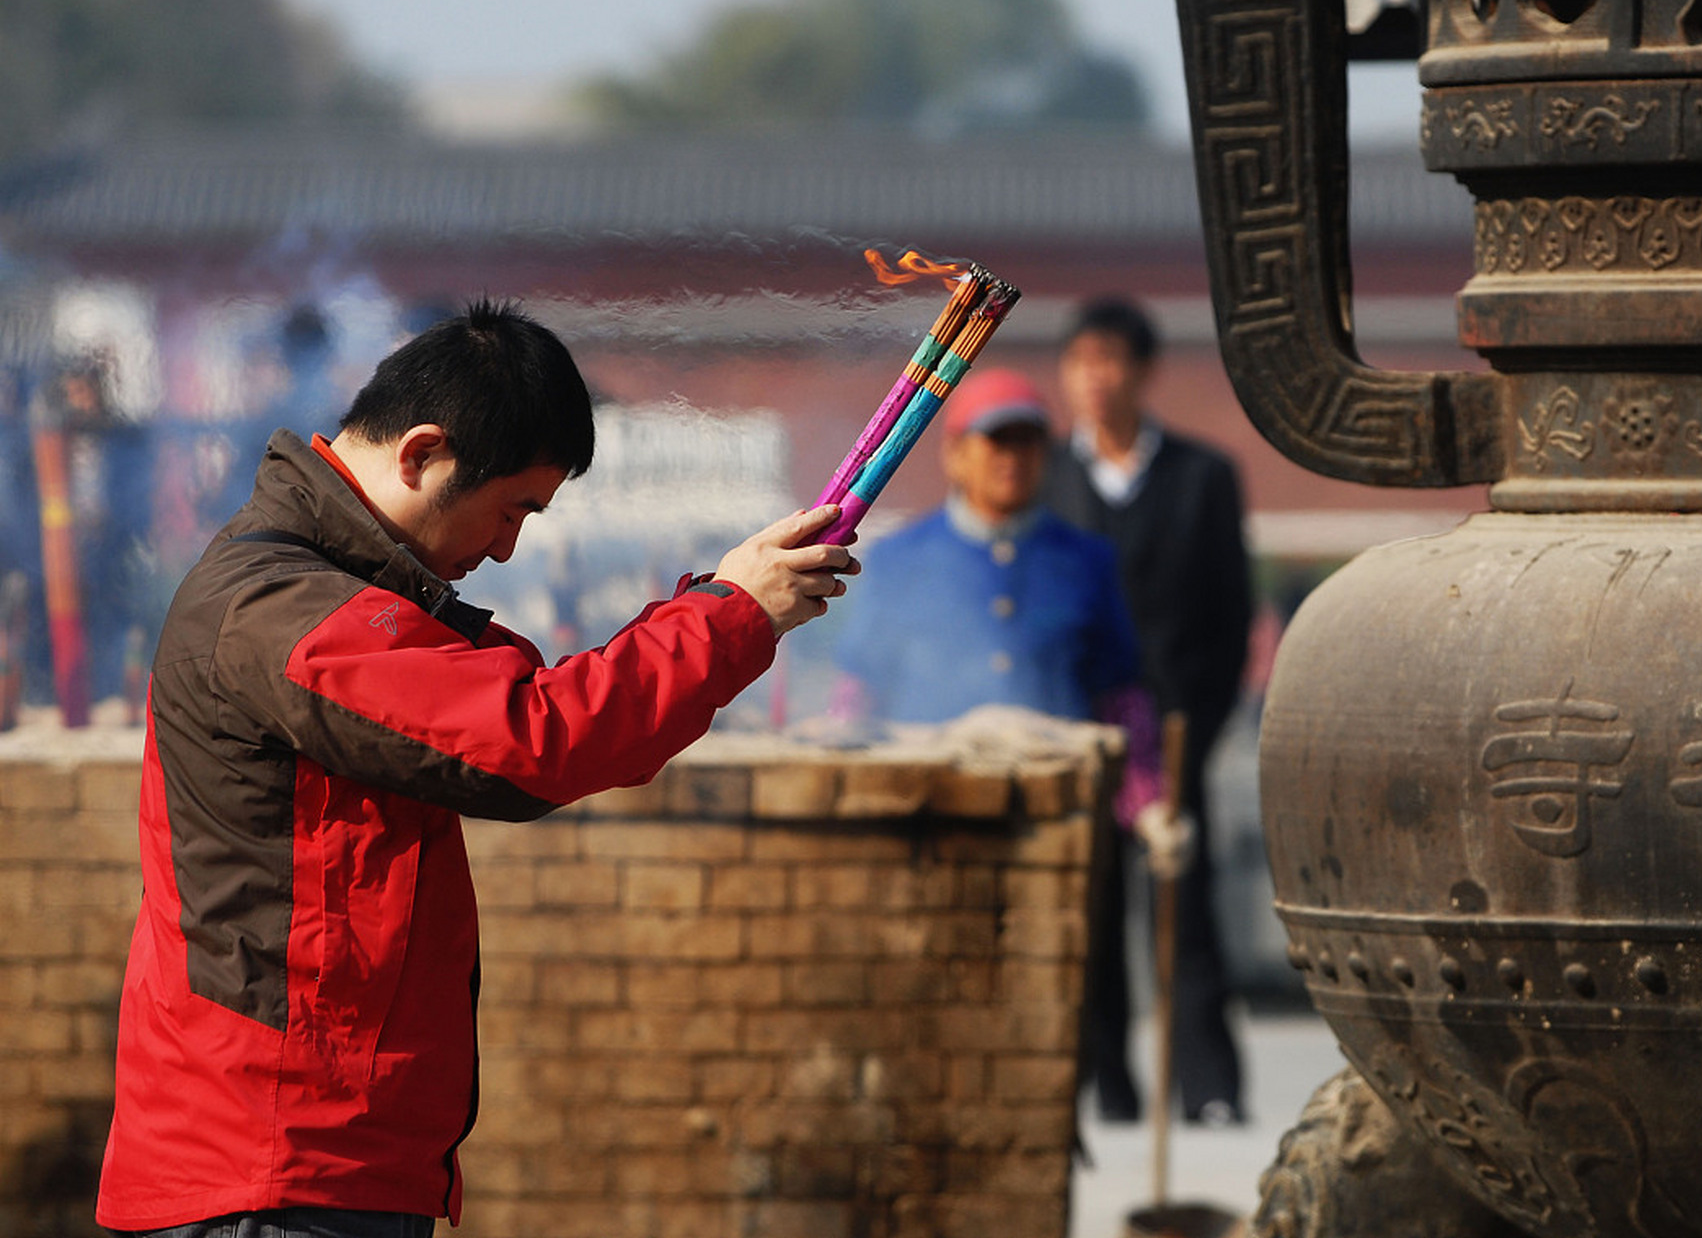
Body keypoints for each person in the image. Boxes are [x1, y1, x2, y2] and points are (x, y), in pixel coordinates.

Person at [95, 300, 858, 1238]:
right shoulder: (279, 606)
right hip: (270, 1165)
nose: (505, 548)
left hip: (323, 1157)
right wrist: (731, 615)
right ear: (421, 454)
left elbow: (535, 700)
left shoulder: (330, 593)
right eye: (510, 510)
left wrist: (721, 608)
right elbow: (533, 740)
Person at [1041, 295, 1253, 1127]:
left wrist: (1195, 737)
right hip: (1076, 735)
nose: (1095, 380)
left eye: (1110, 361)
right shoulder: (1049, 475)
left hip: (1170, 734)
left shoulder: (1201, 477)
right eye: (1080, 362)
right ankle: (1110, 1090)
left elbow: (1231, 619)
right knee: (1088, 918)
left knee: (1185, 918)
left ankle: (1208, 1089)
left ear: (1142, 371)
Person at [829, 368, 1144, 730]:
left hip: (1058, 777)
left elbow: (1121, 696)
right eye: (998, 439)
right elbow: (859, 690)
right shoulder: (898, 560)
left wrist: (1143, 783)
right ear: (955, 453)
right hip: (926, 780)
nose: (1013, 456)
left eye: (1026, 440)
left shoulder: (1087, 560)